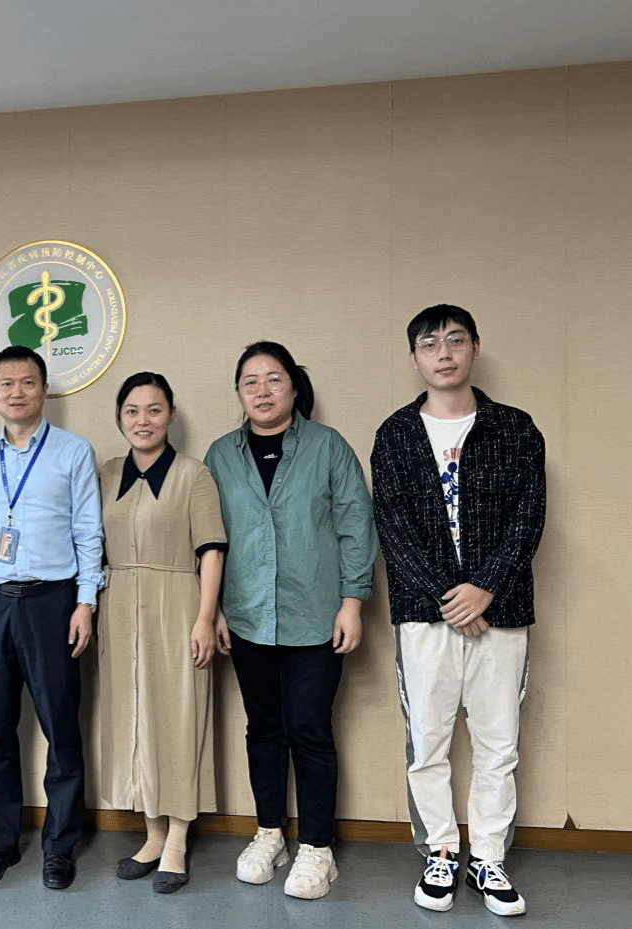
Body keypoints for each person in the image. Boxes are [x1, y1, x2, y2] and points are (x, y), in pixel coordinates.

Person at [371, 305, 545, 917]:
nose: (443, 353)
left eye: (454, 340)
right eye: (429, 343)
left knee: (499, 743)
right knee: (428, 740)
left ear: (474, 347)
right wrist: (453, 597)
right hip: (424, 614)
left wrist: (486, 588)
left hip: (503, 610)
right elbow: (392, 525)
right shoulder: (395, 433)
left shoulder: (515, 428)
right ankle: (441, 851)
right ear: (414, 357)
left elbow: (529, 515)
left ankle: (489, 857)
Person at [204, 341, 377, 901]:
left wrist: (353, 601)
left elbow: (356, 526)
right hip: (247, 615)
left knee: (310, 728)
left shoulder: (328, 447)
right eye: (250, 382)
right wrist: (214, 609)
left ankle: (318, 847)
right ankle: (270, 833)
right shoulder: (220, 455)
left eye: (274, 379)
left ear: (294, 387)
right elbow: (209, 538)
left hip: (316, 615)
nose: (262, 391)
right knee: (263, 728)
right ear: (239, 392)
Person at [0, 345, 104, 891]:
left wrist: (86, 601)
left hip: (53, 601)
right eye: (6, 383)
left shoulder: (73, 450)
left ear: (44, 390)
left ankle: (59, 846)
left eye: (27, 382)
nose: (16, 392)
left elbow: (88, 529)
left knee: (61, 726)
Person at [97, 372, 227, 894]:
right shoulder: (107, 473)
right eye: (132, 411)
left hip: (177, 602)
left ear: (170, 415)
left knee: (178, 717)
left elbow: (211, 550)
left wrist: (205, 617)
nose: (143, 420)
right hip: (117, 606)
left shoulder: (194, 474)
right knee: (132, 717)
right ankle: (151, 835)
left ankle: (177, 840)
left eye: (154, 410)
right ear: (120, 417)